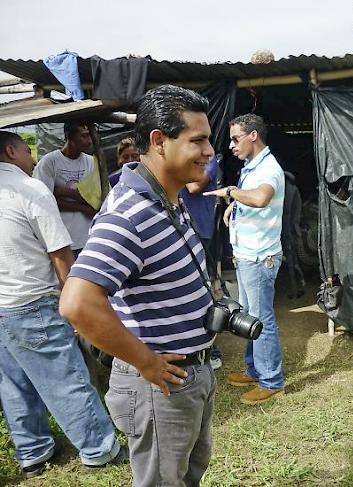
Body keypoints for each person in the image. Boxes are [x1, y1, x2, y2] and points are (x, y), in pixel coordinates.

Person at [59, 85, 217, 486]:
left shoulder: (168, 198)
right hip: (159, 386)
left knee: (186, 477)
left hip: (190, 374)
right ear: (159, 142)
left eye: (209, 139)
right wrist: (145, 361)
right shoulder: (127, 214)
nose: (210, 150)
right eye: (198, 140)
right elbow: (77, 304)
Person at [0, 131, 124, 477]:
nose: (32, 157)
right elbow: (60, 254)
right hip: (32, 301)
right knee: (66, 377)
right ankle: (100, 450)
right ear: (11, 151)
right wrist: (77, 308)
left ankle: (33, 453)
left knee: (13, 384)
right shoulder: (30, 188)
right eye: (27, 150)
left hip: (2, 305)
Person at [206, 113, 285, 405]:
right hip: (248, 255)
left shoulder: (269, 168)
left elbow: (262, 197)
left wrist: (230, 192)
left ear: (253, 135)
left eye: (235, 138)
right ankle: (254, 370)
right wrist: (234, 207)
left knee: (261, 319)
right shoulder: (252, 165)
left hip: (259, 257)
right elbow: (251, 199)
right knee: (249, 317)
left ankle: (271, 381)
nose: (231, 145)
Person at [180, 153, 225, 370]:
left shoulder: (210, 159)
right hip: (182, 229)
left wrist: (172, 169)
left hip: (201, 231)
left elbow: (194, 187)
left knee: (204, 292)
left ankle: (212, 349)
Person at [33, 121, 97, 258]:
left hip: (88, 238)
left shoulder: (91, 162)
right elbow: (44, 202)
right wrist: (81, 206)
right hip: (63, 240)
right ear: (69, 136)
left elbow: (96, 200)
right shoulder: (49, 162)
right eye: (84, 136)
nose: (89, 141)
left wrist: (61, 192)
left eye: (90, 136)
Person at [281, 171, 305, 298]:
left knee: (291, 260)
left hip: (287, 229)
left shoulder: (286, 190)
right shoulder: (293, 190)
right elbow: (298, 211)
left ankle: (295, 288)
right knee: (293, 260)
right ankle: (298, 286)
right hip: (291, 229)